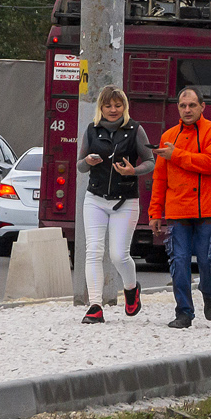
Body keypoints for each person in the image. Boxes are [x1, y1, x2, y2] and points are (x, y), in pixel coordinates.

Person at [150, 87, 211, 329]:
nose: (187, 110)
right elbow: (159, 178)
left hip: (207, 209)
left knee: (207, 260)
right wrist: (155, 212)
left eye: (192, 105)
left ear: (202, 107)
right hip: (177, 210)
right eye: (183, 106)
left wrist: (176, 155)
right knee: (179, 262)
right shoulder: (168, 136)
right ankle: (184, 312)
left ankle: (209, 291)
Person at [77, 86, 155, 323]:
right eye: (108, 105)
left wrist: (134, 170)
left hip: (125, 200)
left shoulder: (135, 130)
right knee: (93, 251)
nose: (113, 110)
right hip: (95, 199)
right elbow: (80, 165)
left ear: (124, 107)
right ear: (101, 107)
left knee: (118, 255)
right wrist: (88, 161)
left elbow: (150, 161)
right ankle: (95, 306)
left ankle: (131, 289)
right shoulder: (92, 130)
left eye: (117, 105)